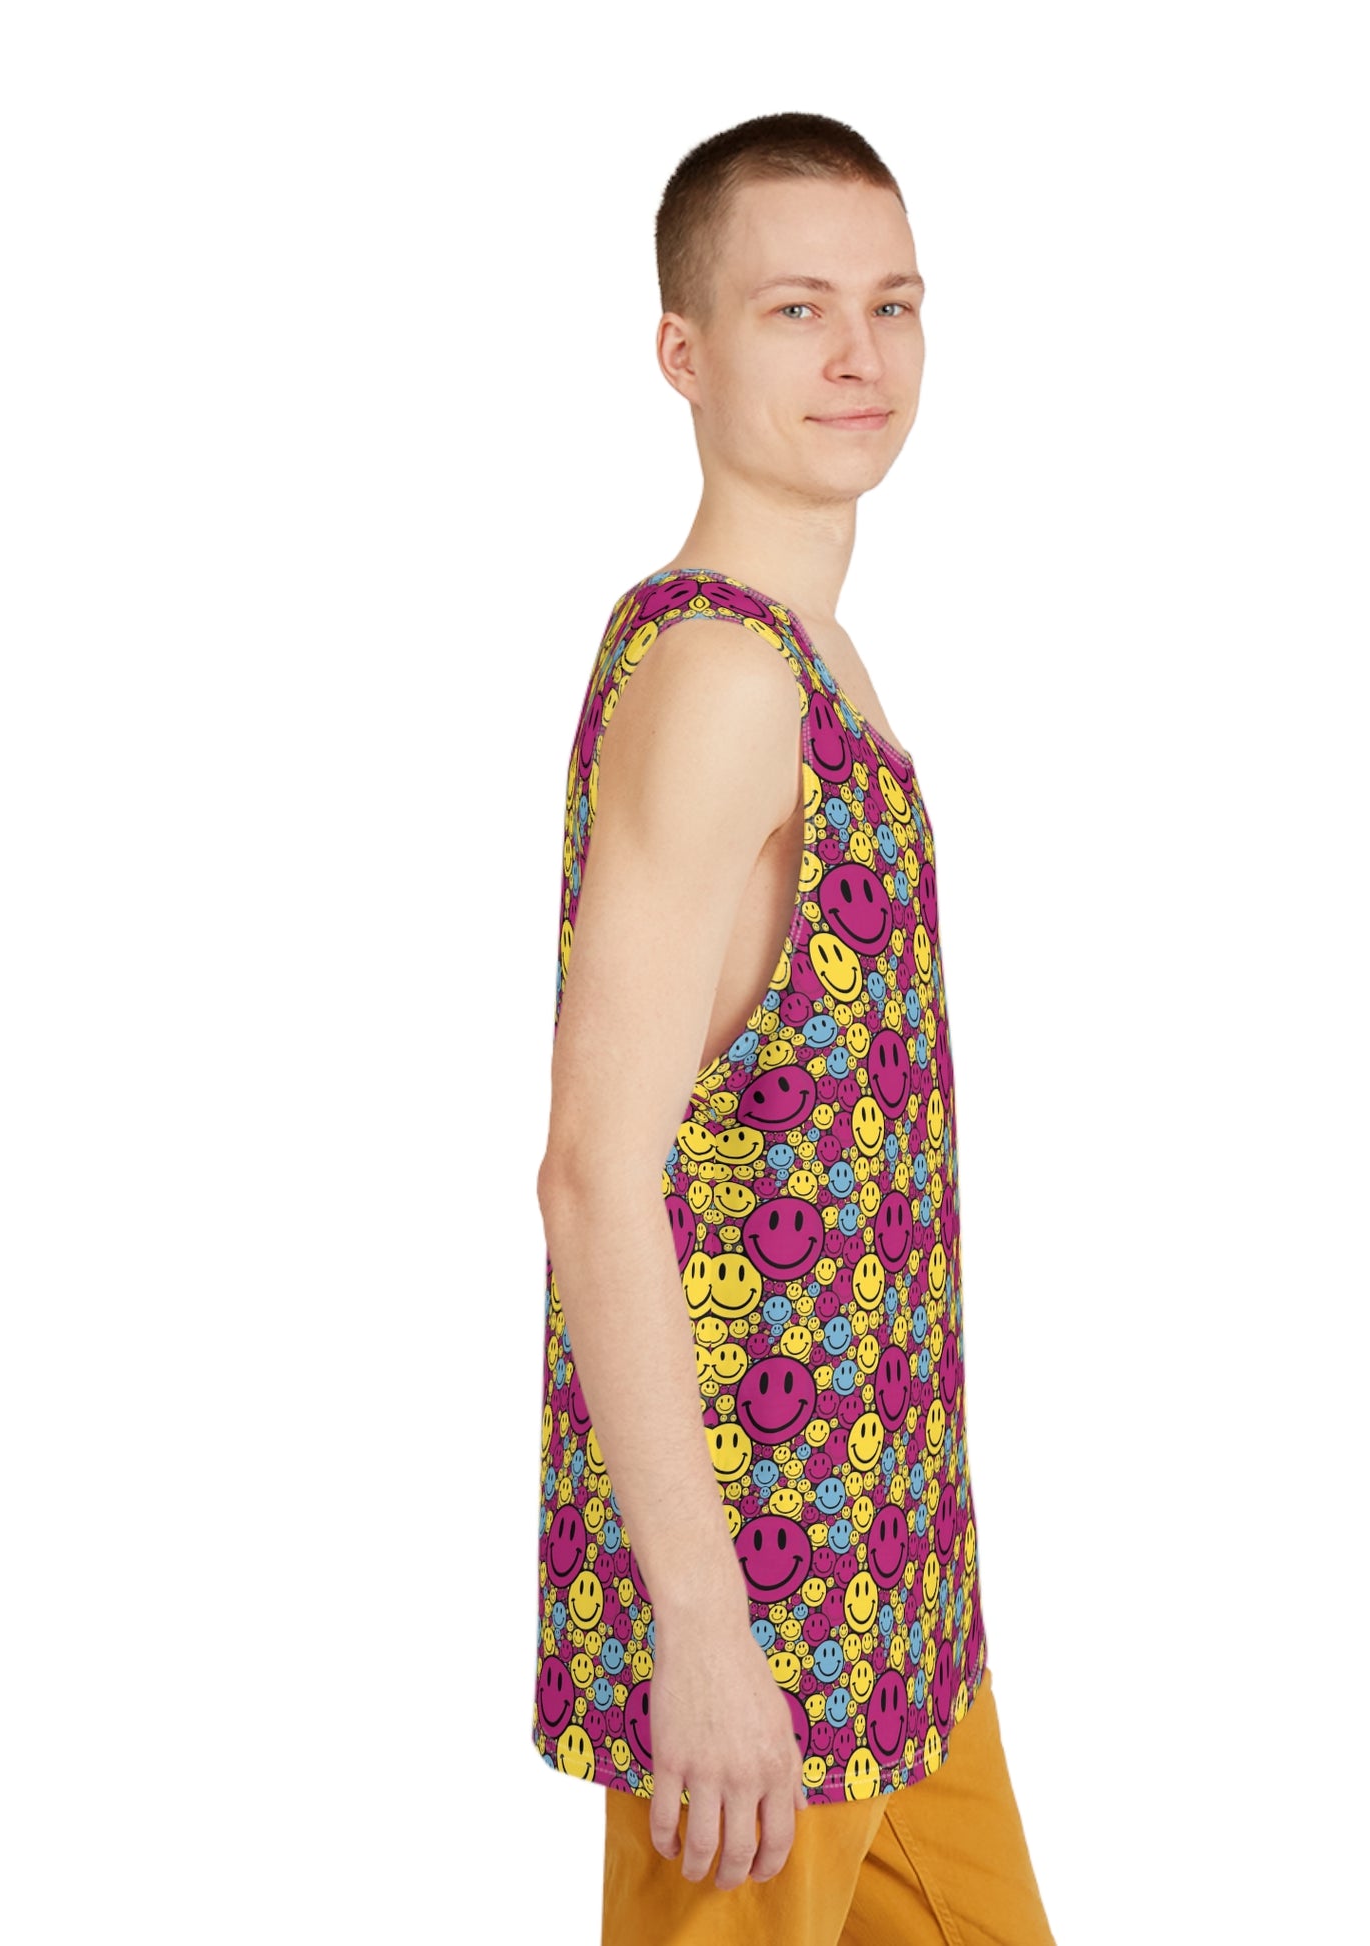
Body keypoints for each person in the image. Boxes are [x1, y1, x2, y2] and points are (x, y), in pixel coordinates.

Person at [532, 112, 1057, 1945]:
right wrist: (702, 1626)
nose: (858, 353)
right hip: (765, 1610)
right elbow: (592, 1172)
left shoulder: (812, 654)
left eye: (891, 303)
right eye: (795, 308)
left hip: (894, 1584)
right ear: (681, 352)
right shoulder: (722, 676)